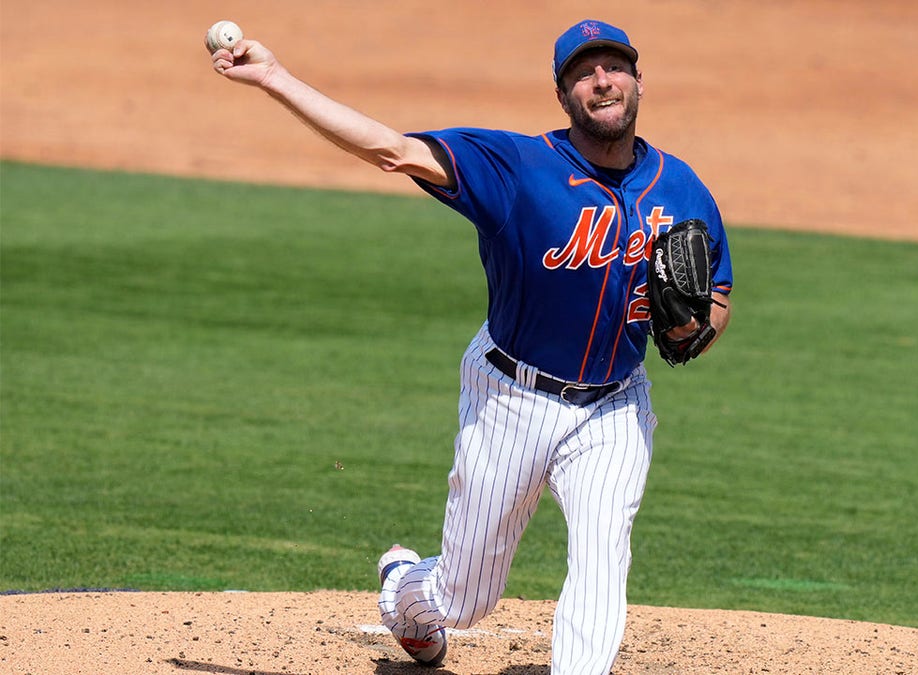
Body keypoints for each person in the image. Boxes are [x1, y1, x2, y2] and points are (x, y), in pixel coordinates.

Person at [209, 18, 733, 673]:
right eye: (583, 72)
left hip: (615, 406)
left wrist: (694, 331)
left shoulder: (682, 189)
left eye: (614, 67)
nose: (602, 80)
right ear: (564, 93)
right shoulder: (516, 167)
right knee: (463, 598)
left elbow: (716, 296)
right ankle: (404, 589)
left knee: (604, 551)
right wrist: (275, 78)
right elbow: (390, 149)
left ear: (638, 80)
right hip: (512, 397)